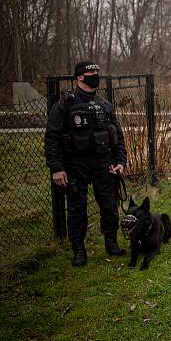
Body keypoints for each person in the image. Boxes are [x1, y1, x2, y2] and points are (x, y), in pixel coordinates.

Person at [44, 61, 127, 266]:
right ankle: (79, 250)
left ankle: (111, 242)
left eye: (97, 72)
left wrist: (120, 162)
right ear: (80, 77)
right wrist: (56, 168)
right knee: (76, 209)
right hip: (75, 164)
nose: (95, 75)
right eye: (91, 72)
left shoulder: (104, 105)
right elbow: (52, 138)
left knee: (109, 206)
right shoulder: (65, 105)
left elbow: (118, 136)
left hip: (104, 163)